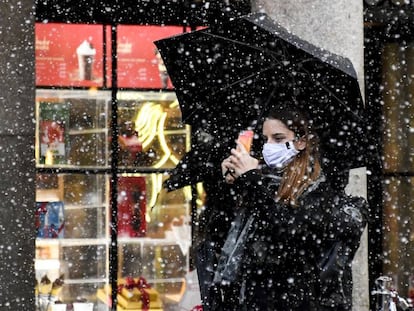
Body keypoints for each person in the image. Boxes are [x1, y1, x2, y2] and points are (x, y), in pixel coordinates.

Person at [210, 105, 368, 311]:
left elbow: (289, 233)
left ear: (301, 142)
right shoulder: (265, 179)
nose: (268, 146)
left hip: (299, 300)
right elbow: (222, 236)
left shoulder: (318, 186)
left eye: (278, 138)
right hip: (257, 299)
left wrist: (251, 180)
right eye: (265, 138)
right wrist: (229, 185)